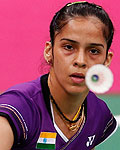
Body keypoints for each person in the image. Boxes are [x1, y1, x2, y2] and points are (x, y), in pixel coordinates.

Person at [0, 1, 118, 150]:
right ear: (49, 51)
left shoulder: (98, 114)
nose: (80, 61)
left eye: (93, 51)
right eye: (68, 47)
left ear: (106, 60)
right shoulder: (18, 109)